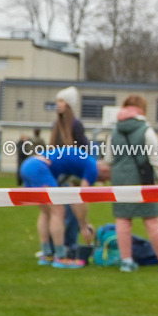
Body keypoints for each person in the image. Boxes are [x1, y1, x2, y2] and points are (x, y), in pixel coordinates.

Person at [104, 95, 158, 274]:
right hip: (143, 181)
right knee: (152, 221)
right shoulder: (146, 130)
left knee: (123, 221)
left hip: (120, 182)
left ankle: (127, 261)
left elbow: (108, 159)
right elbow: (156, 160)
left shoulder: (114, 132)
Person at [19, 147, 110, 266]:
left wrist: (84, 222)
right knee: (58, 211)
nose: (102, 182)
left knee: (46, 213)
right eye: (105, 178)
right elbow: (81, 198)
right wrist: (83, 226)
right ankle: (60, 257)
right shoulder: (92, 169)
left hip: (28, 165)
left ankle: (47, 255)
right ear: (104, 170)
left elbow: (74, 198)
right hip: (39, 167)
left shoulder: (85, 162)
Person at [50, 86, 89, 261]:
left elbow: (84, 148)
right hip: (57, 175)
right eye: (57, 101)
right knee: (57, 213)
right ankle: (55, 247)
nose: (58, 105)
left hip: (71, 175)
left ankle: (70, 246)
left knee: (71, 213)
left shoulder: (76, 125)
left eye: (61, 101)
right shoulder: (56, 125)